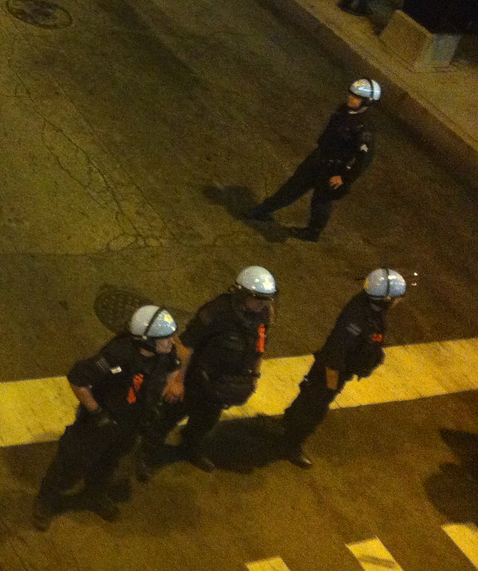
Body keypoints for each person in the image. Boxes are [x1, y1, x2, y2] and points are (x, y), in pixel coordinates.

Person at [33, 305, 179, 530]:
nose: (171, 342)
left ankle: (94, 494)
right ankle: (46, 501)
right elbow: (77, 378)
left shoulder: (166, 354)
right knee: (72, 463)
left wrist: (165, 391)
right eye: (165, 338)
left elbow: (171, 370)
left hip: (133, 422)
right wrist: (96, 412)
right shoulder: (118, 354)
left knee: (109, 462)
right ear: (147, 341)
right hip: (102, 422)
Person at [138, 266, 277, 480]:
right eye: (257, 298)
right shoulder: (216, 312)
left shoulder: (265, 312)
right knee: (165, 419)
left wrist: (254, 375)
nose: (262, 304)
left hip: (221, 386)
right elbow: (186, 346)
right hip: (196, 380)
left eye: (266, 299)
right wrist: (177, 382)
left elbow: (259, 345)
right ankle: (147, 456)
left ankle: (189, 448)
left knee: (205, 422)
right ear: (241, 293)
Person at [279, 269, 405, 468]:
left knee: (309, 398)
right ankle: (291, 444)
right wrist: (331, 383)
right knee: (315, 408)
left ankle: (288, 422)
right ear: (384, 299)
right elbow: (336, 353)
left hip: (337, 369)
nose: (399, 301)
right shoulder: (357, 319)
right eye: (396, 298)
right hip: (332, 371)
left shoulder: (370, 310)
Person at [247, 78, 380, 241]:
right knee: (292, 187)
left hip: (334, 168)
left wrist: (345, 178)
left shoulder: (364, 128)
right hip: (318, 157)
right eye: (351, 95)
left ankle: (313, 232)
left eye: (356, 97)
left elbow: (364, 158)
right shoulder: (343, 109)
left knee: (321, 202)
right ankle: (263, 210)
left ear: (367, 102)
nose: (351, 99)